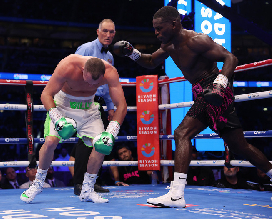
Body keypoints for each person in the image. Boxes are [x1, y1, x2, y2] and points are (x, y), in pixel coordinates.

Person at [113, 6, 272, 208]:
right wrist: (132, 53)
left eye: (159, 28)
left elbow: (231, 58)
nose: (156, 33)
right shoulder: (169, 46)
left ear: (174, 24)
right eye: (155, 29)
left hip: (214, 89)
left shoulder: (197, 40)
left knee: (182, 133)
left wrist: (219, 85)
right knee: (240, 146)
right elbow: (151, 61)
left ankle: (176, 194)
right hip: (203, 93)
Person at [20, 55, 127, 204]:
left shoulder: (110, 72)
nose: (90, 85)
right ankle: (37, 185)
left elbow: (121, 105)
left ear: (102, 75)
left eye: (95, 83)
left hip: (89, 109)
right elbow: (46, 94)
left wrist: (112, 132)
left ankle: (87, 190)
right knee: (50, 142)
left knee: (102, 145)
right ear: (83, 69)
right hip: (62, 106)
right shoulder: (68, 65)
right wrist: (57, 119)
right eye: (87, 79)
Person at [68, 19, 116, 195]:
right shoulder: (86, 49)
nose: (108, 35)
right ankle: (79, 183)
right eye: (105, 31)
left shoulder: (110, 56)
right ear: (98, 32)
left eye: (111, 32)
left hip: (99, 102)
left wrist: (111, 107)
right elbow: (72, 72)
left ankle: (92, 181)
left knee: (100, 143)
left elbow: (110, 85)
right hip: (83, 100)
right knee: (86, 142)